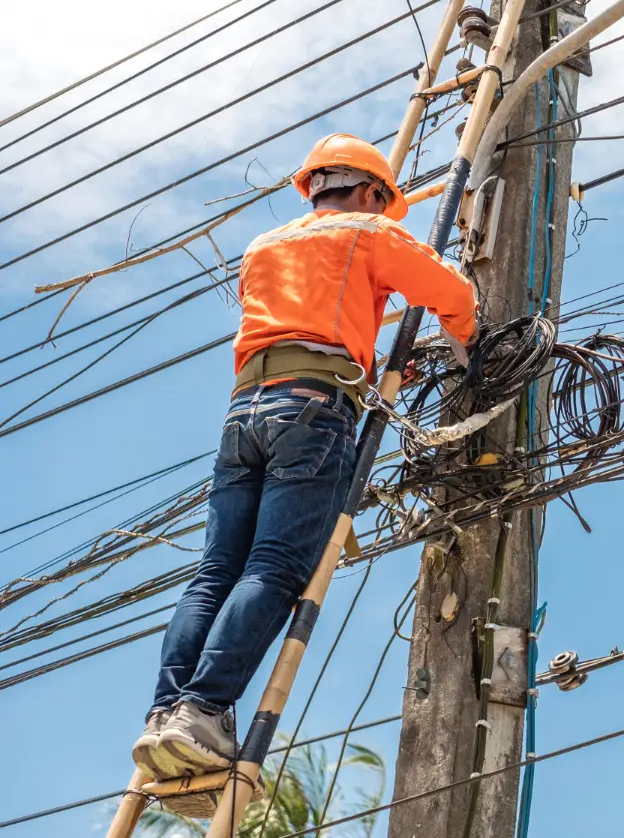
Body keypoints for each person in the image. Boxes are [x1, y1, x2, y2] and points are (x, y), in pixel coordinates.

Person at [131, 134, 477, 780]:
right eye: (383, 203)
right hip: (311, 410)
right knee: (275, 566)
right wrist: (468, 340)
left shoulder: (266, 247)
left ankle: (165, 714)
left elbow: (316, 314)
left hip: (244, 413)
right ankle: (203, 709)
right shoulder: (369, 232)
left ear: (314, 187)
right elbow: (449, 292)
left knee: (216, 572)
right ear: (369, 192)